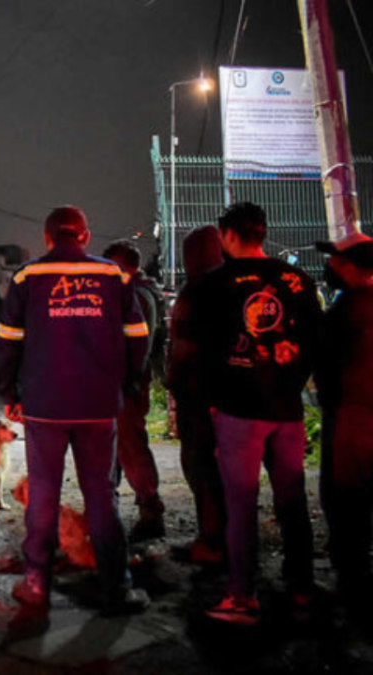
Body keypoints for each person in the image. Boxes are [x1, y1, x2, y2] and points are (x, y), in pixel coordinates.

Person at [0, 205, 151, 614]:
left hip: (45, 407)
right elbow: (138, 335)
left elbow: (7, 339)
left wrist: (9, 391)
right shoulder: (113, 275)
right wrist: (130, 381)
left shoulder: (28, 277)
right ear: (84, 236)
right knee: (101, 495)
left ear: (48, 238)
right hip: (100, 406)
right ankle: (117, 587)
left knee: (43, 494)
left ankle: (36, 585)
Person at [193, 202, 320, 625]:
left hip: (238, 412)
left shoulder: (215, 284)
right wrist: (293, 384)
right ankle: (302, 587)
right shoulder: (297, 279)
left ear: (227, 235)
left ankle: (243, 596)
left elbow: (205, 352)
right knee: (292, 500)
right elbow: (314, 343)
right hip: (287, 411)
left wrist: (212, 402)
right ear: (262, 233)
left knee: (241, 503)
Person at [314, 232, 373, 616]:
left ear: (351, 266)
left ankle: (353, 586)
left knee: (347, 499)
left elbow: (325, 364)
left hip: (353, 418)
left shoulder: (349, 308)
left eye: (335, 259)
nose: (329, 266)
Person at [166, 226, 227, 564]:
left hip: (199, 398)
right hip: (230, 399)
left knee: (202, 469)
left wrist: (176, 389)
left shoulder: (196, 292)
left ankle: (212, 541)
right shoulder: (234, 285)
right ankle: (225, 539)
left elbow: (183, 349)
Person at [102, 240, 167, 541]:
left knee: (130, 447)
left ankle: (150, 510)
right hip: (126, 385)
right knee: (116, 448)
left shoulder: (136, 297)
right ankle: (111, 510)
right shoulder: (143, 292)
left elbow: (134, 346)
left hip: (126, 386)